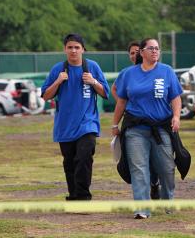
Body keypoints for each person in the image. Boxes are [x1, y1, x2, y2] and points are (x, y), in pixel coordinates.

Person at [111, 38, 183, 219]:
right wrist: (115, 124)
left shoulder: (166, 71)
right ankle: (142, 209)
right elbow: (121, 101)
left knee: (167, 168)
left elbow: (175, 97)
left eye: (157, 48)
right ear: (141, 52)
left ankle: (168, 202)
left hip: (160, 128)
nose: (155, 51)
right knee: (139, 168)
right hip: (135, 129)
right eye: (151, 48)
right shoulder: (128, 74)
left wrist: (176, 116)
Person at [41, 33, 109, 201]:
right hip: (65, 125)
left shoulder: (92, 67)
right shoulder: (58, 69)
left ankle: (83, 197)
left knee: (84, 157)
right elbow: (45, 96)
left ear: (83, 50)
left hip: (88, 124)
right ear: (65, 49)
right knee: (70, 162)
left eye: (77, 47)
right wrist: (57, 82)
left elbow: (105, 93)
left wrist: (93, 82)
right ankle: (74, 195)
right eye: (70, 47)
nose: (73, 51)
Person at [111, 41, 161, 199]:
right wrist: (125, 104)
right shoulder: (127, 73)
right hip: (133, 123)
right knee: (138, 160)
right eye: (131, 53)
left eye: (136, 52)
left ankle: (155, 183)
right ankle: (142, 199)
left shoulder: (156, 70)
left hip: (155, 122)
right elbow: (115, 90)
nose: (135, 55)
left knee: (156, 158)